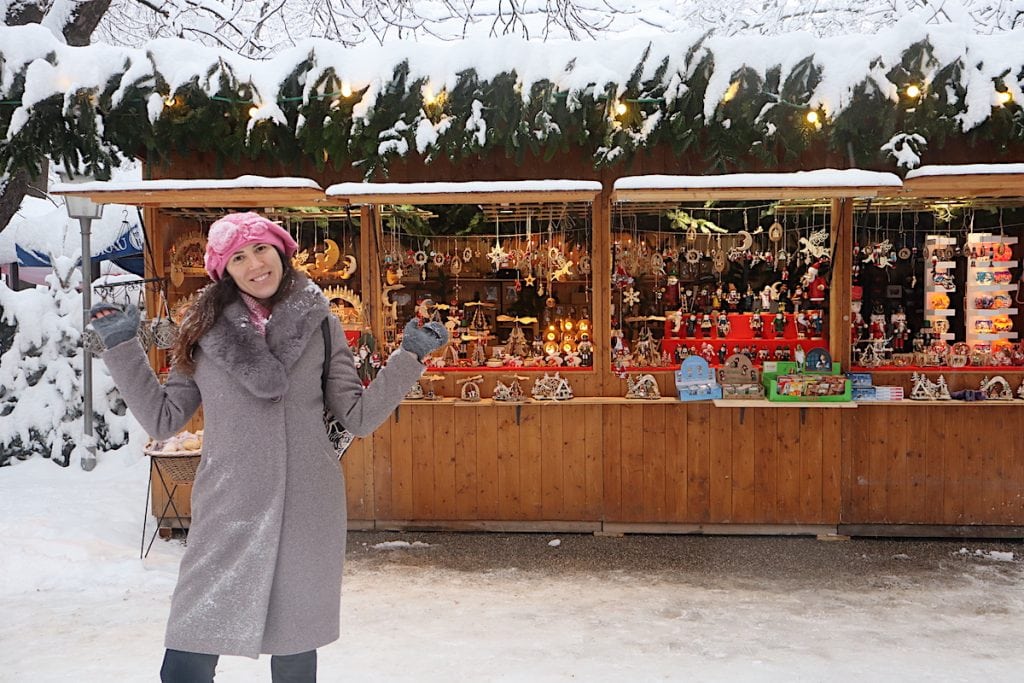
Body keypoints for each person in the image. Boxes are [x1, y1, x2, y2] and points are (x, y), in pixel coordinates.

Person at [88, 212, 448, 682]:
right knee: (187, 658)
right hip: (228, 505)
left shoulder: (320, 322)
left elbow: (357, 417)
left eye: (261, 249)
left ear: (281, 251)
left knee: (295, 655)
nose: (255, 264)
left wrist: (410, 356)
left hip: (307, 505)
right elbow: (164, 417)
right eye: (238, 256)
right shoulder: (200, 329)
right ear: (223, 270)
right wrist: (120, 345)